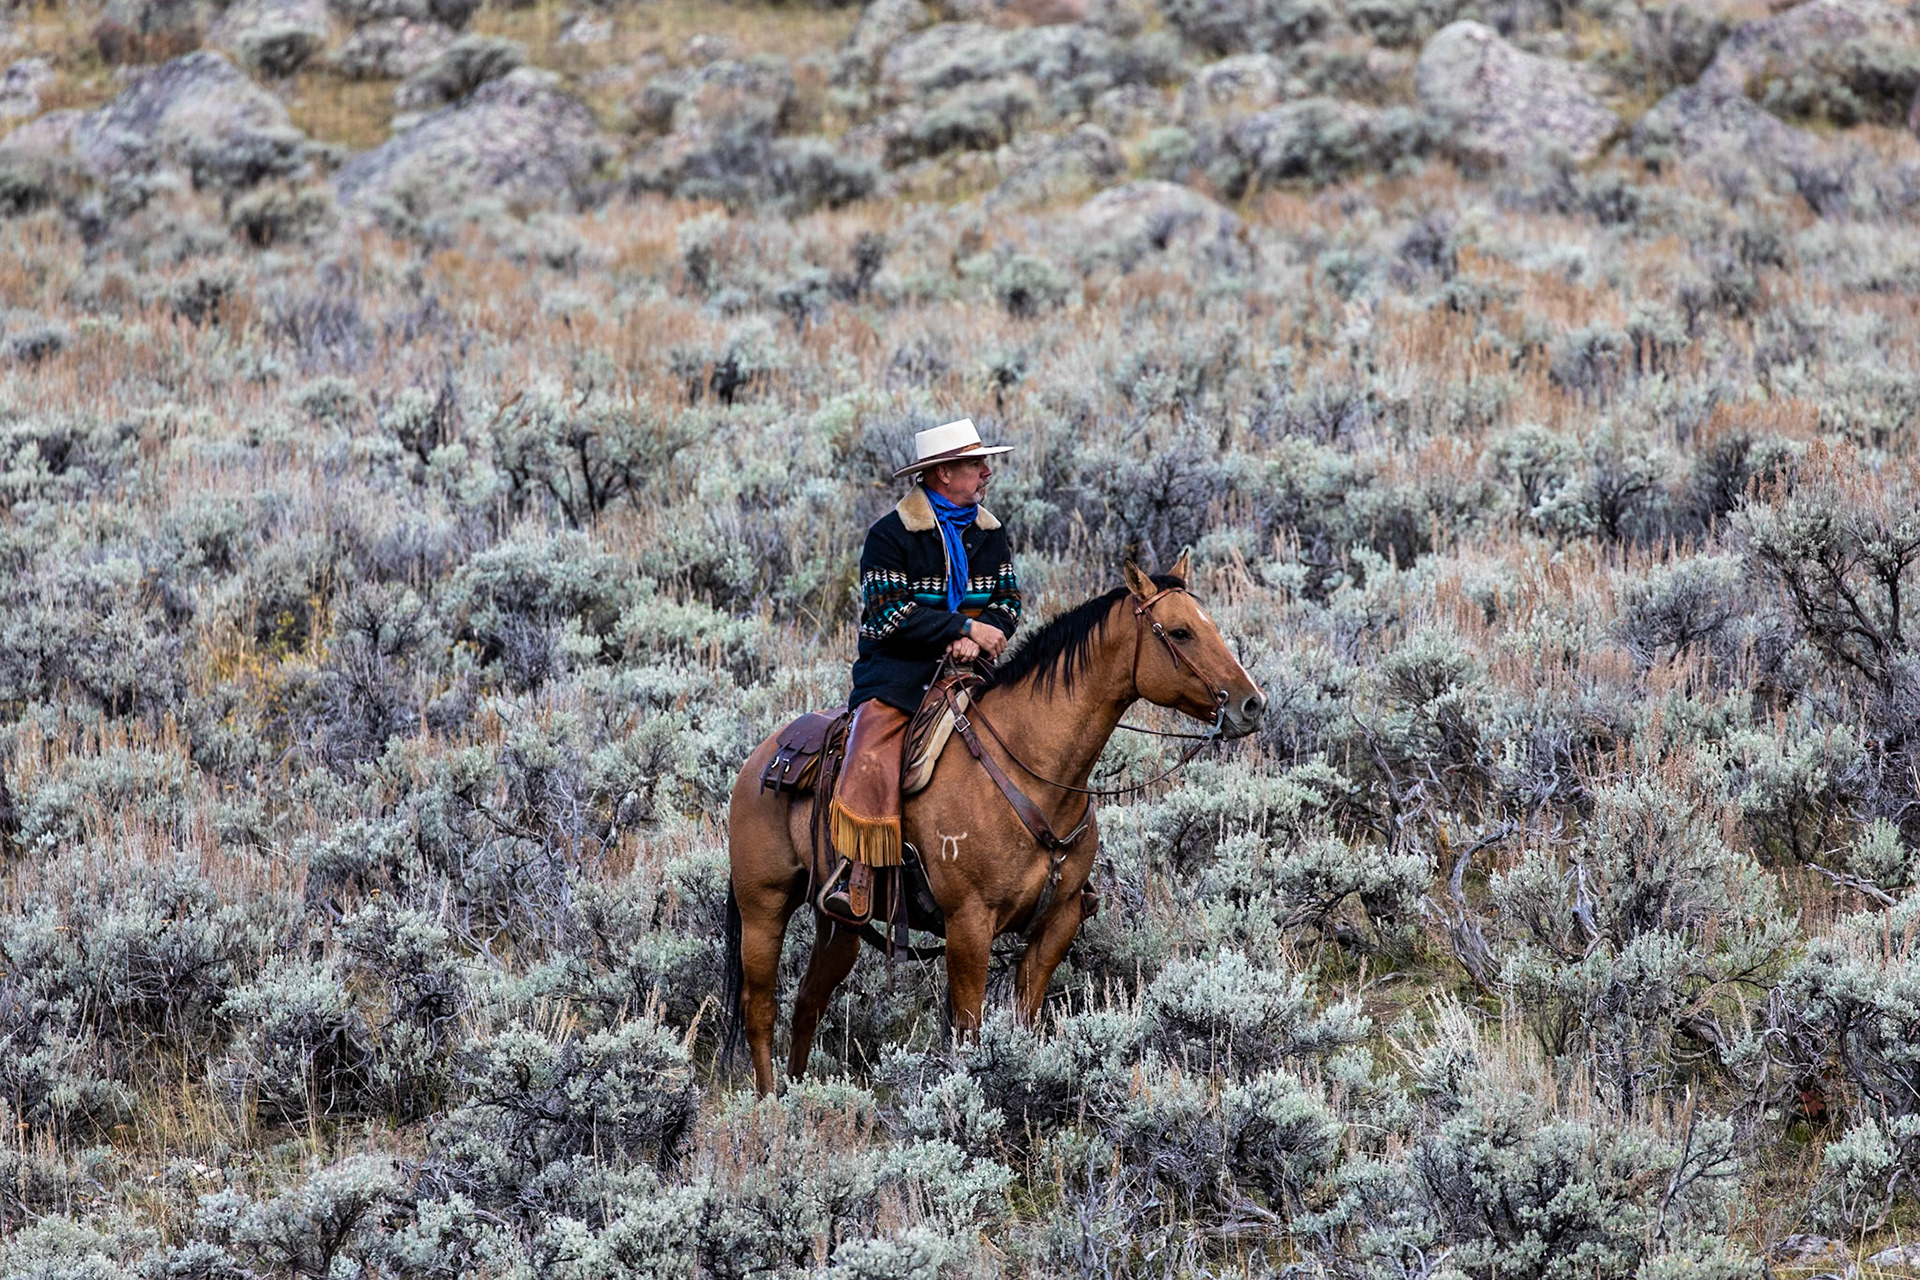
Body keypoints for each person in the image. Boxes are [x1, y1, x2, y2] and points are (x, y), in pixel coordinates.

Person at [821, 419, 1023, 923]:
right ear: (942, 473)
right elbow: (888, 615)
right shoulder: (889, 535)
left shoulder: (989, 533)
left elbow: (1009, 600)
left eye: (984, 463)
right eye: (975, 464)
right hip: (898, 675)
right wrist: (961, 628)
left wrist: (979, 633)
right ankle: (857, 870)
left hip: (973, 671)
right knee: (873, 743)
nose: (986, 472)